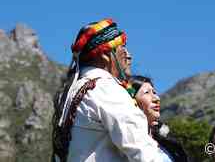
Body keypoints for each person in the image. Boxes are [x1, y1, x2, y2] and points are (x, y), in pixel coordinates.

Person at [51, 19, 166, 162]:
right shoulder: (105, 89)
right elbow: (143, 152)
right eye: (121, 47)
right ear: (105, 55)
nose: (127, 54)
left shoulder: (73, 91)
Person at [130, 75, 188, 162]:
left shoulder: (168, 145)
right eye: (147, 93)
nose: (157, 98)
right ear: (132, 100)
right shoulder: (128, 142)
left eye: (154, 92)